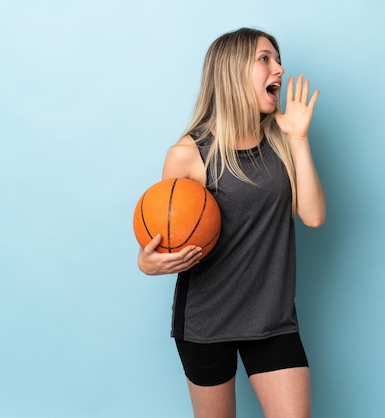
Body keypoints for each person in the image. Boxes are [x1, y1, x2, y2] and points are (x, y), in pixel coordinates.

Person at [137, 27, 325, 418]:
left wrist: (300, 140)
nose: (280, 67)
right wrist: (147, 262)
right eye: (265, 59)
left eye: (277, 58)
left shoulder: (281, 141)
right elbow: (163, 236)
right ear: (233, 73)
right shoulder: (190, 154)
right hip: (207, 320)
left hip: (272, 318)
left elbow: (313, 216)